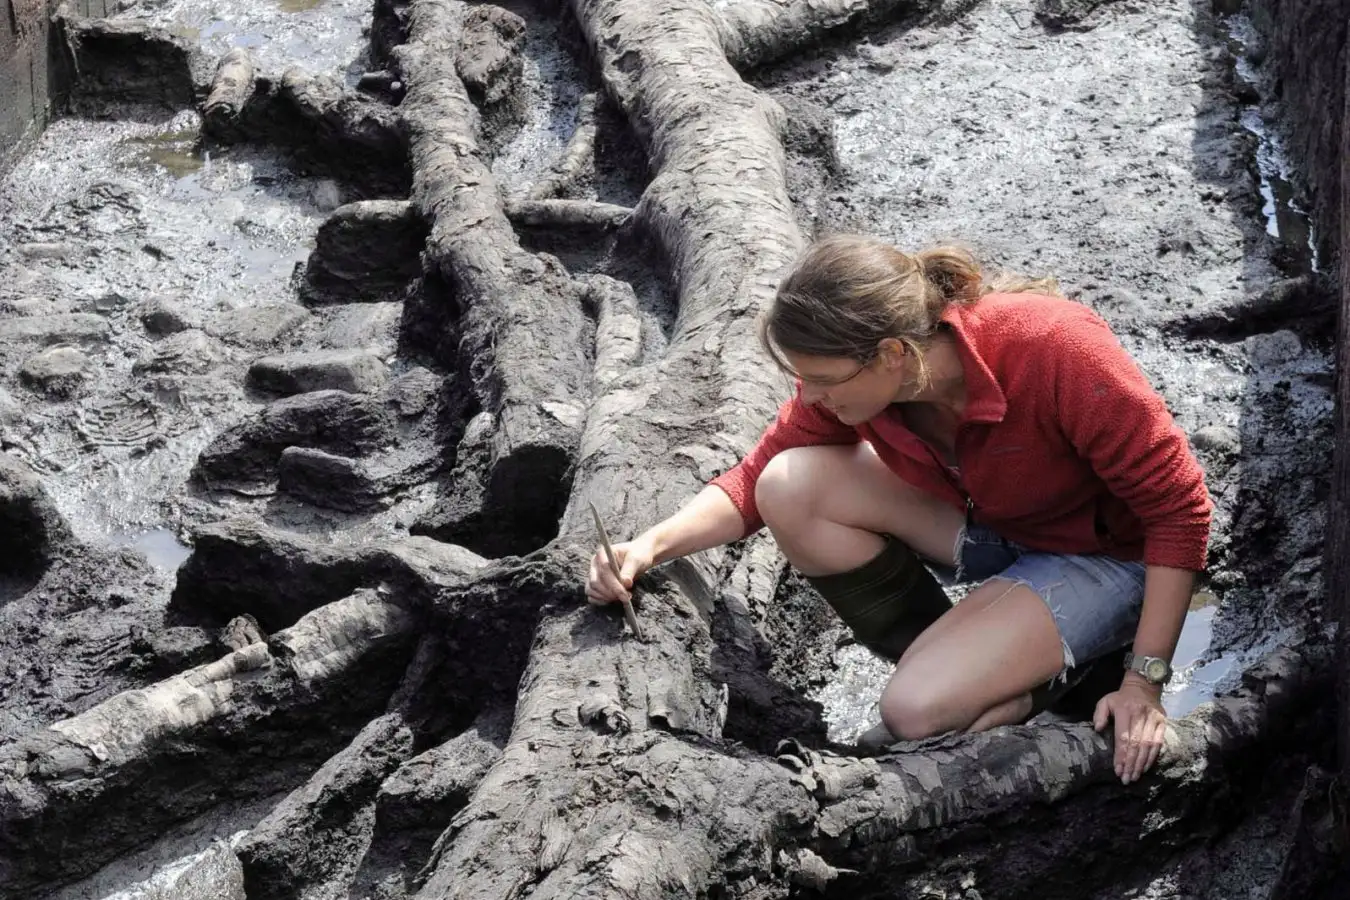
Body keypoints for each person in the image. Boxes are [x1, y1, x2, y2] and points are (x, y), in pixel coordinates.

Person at [585, 234, 1212, 785]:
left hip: (1109, 557)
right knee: (788, 484)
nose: (814, 398)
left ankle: (1034, 675)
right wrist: (647, 548)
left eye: (826, 381)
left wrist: (1143, 681)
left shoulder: (1052, 346)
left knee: (910, 712)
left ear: (893, 354)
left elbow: (1180, 509)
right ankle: (961, 662)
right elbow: (754, 479)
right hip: (1002, 526)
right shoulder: (857, 386)